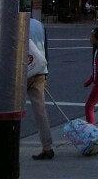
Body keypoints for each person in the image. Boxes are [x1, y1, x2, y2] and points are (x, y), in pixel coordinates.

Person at [28, 17, 55, 160]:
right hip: (39, 69)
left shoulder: (11, 21)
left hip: (20, 72)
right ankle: (47, 146)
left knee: (5, 108)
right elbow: (45, 48)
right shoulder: (39, 24)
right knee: (41, 112)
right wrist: (46, 71)